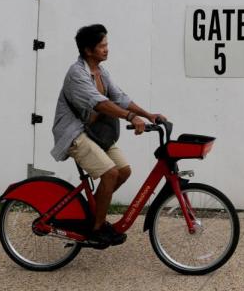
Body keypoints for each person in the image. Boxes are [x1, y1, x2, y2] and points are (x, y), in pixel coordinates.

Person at [50, 24, 165, 247]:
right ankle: (97, 229)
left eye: (106, 45)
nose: (106, 49)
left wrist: (148, 115)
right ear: (88, 50)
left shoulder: (101, 71)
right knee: (110, 173)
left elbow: (119, 97)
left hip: (95, 133)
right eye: (102, 46)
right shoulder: (77, 74)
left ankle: (95, 215)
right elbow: (100, 103)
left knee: (123, 171)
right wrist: (131, 117)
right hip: (74, 133)